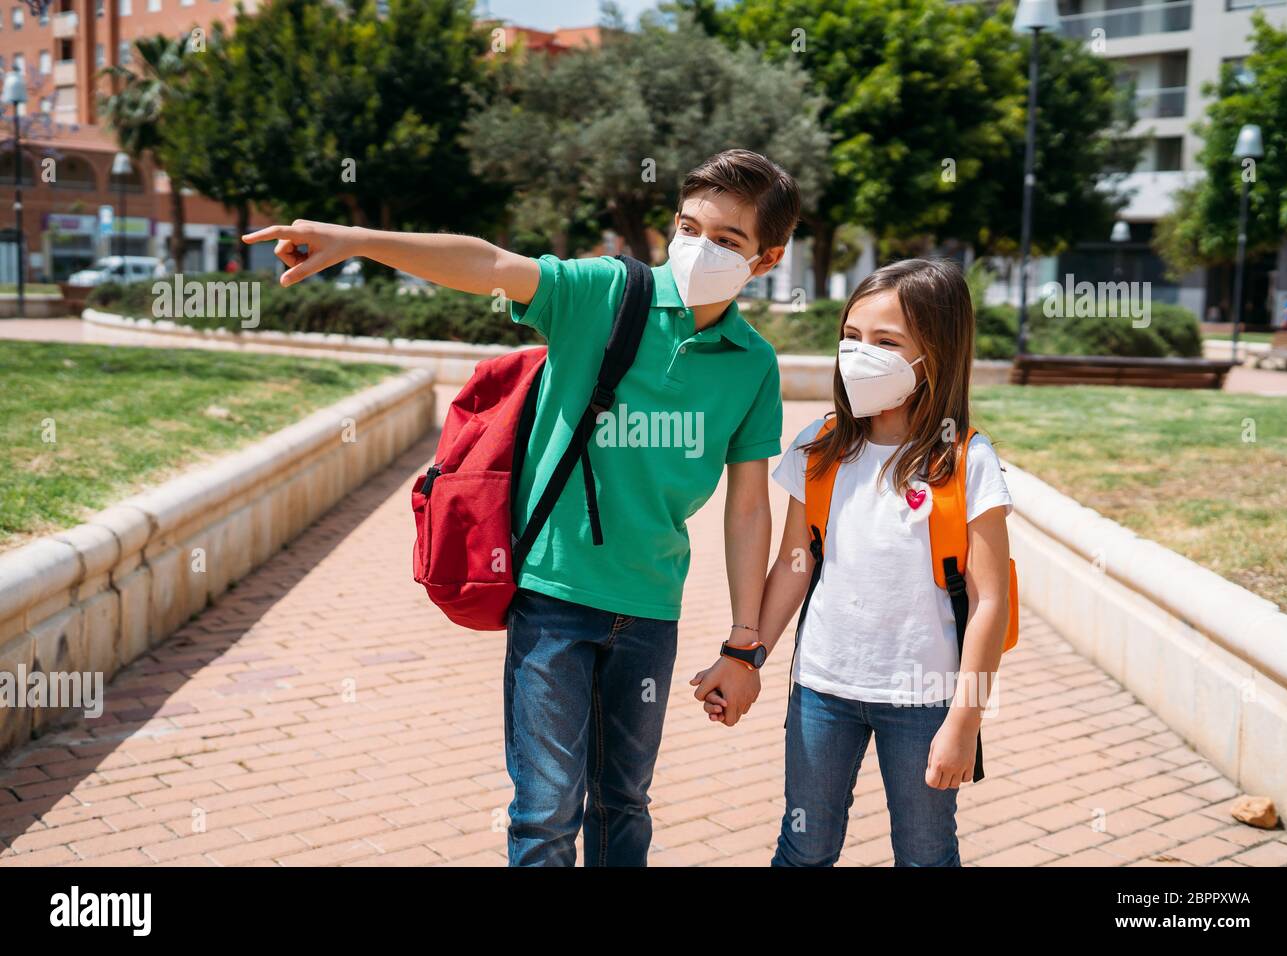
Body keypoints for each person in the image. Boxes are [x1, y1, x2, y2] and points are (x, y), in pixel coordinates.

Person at [243, 149, 798, 866]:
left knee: (624, 806)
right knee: (544, 812)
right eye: (689, 228)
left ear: (768, 259)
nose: (699, 249)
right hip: (554, 601)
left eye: (727, 241)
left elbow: (748, 509)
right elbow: (490, 265)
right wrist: (359, 242)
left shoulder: (752, 363)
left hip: (653, 613)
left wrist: (742, 645)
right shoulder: (605, 294)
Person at [693, 258, 1013, 866]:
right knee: (804, 849)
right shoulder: (821, 444)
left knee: (925, 854)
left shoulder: (967, 462)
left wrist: (966, 720)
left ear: (936, 354)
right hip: (821, 689)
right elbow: (795, 563)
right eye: (852, 338)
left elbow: (990, 600)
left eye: (886, 342)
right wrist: (745, 654)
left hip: (925, 700)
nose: (860, 354)